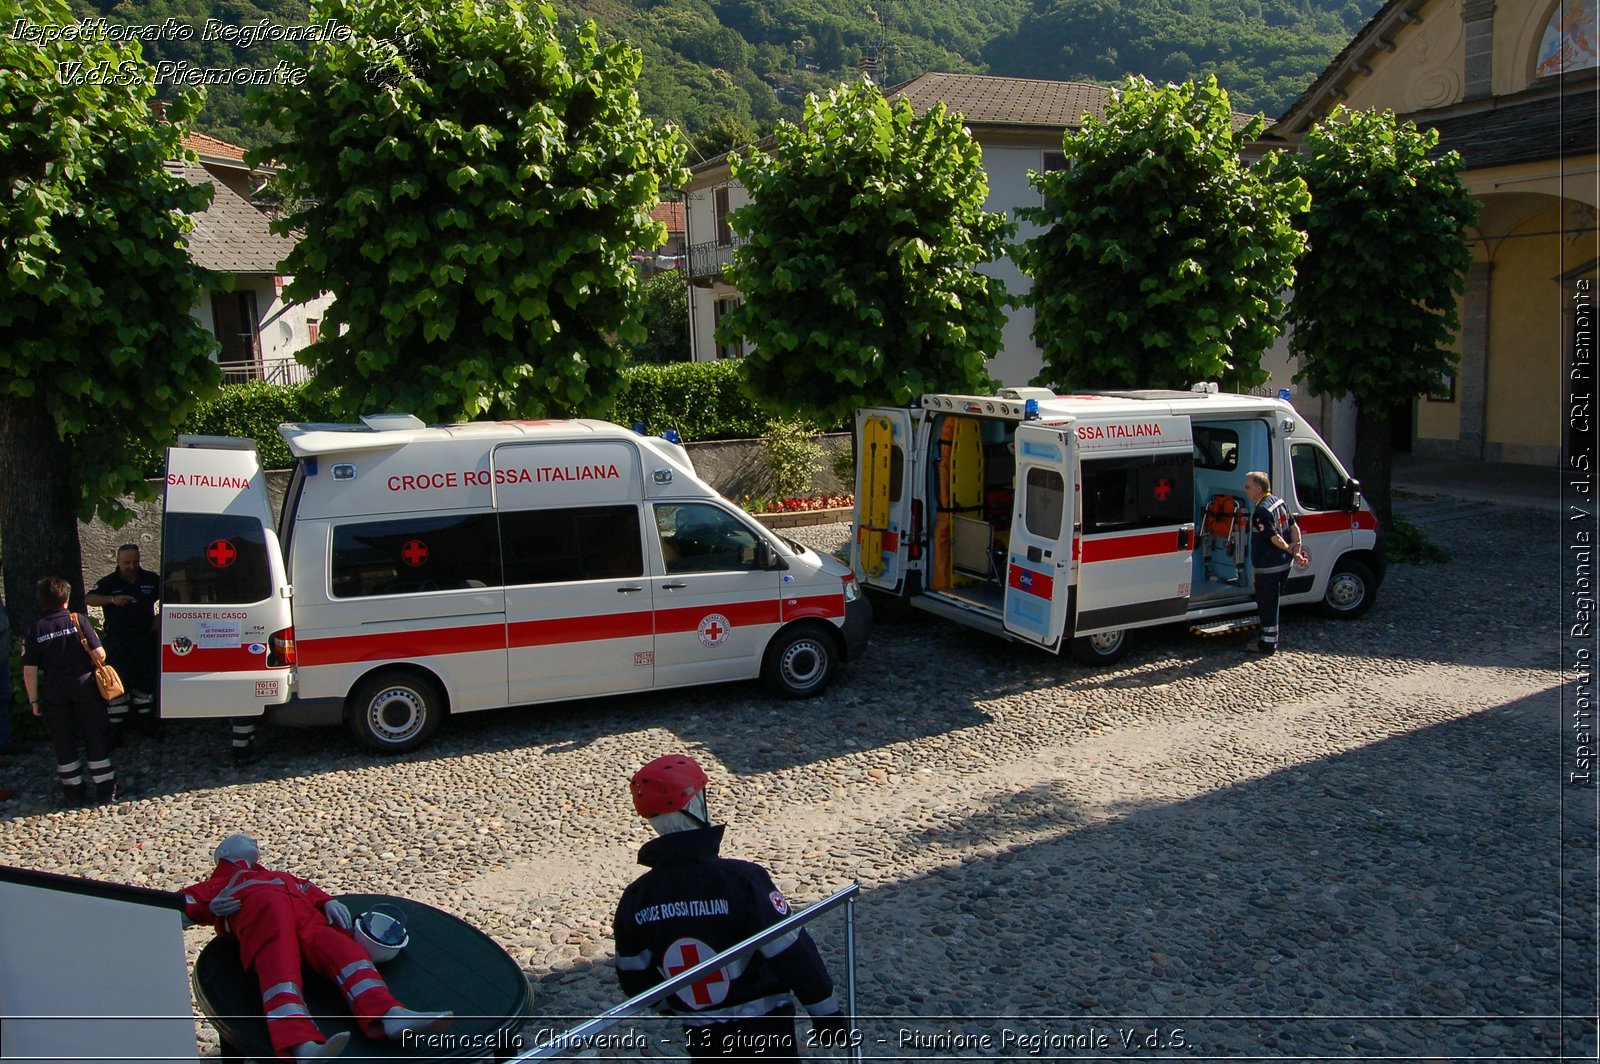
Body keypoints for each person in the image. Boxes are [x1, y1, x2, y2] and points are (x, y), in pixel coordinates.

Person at [613, 754, 847, 1061]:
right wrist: (826, 1013)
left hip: (703, 1037)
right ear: (693, 805)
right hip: (765, 1029)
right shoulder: (743, 880)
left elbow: (634, 976)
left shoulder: (637, 897)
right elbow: (792, 953)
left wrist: (676, 1007)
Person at [181, 833, 452, 1062]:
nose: (252, 839)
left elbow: (307, 888)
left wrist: (327, 902)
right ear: (224, 851)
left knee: (346, 952)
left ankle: (389, 1014)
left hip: (307, 918)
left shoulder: (278, 875)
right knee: (279, 969)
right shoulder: (218, 883)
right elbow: (183, 906)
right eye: (242, 838)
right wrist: (211, 907)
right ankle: (301, 1044)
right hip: (265, 919)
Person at [20, 577, 115, 805]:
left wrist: (33, 700)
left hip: (54, 690)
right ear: (66, 599)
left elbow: (30, 671)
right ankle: (105, 790)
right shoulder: (77, 620)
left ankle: (73, 792)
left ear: (41, 601)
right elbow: (100, 655)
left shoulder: (35, 629)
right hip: (84, 686)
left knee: (63, 740)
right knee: (94, 734)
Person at [86, 544, 161, 740]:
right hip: (118, 638)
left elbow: (172, 595)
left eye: (135, 561)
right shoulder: (109, 582)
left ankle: (146, 722)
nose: (132, 566)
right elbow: (89, 599)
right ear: (118, 562)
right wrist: (112, 600)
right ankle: (116, 729)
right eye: (127, 562)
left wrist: (161, 616)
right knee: (117, 680)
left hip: (144, 637)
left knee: (145, 679)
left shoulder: (150, 579)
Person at [1244, 470, 1308, 655]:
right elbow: (1294, 527)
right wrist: (1296, 551)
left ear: (1258, 487)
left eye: (1248, 486)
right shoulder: (1279, 502)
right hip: (1282, 565)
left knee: (1267, 605)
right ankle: (1268, 640)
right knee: (1272, 603)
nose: (1245, 489)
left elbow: (1273, 537)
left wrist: (1289, 548)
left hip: (1268, 566)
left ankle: (1266, 644)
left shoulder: (1261, 511)